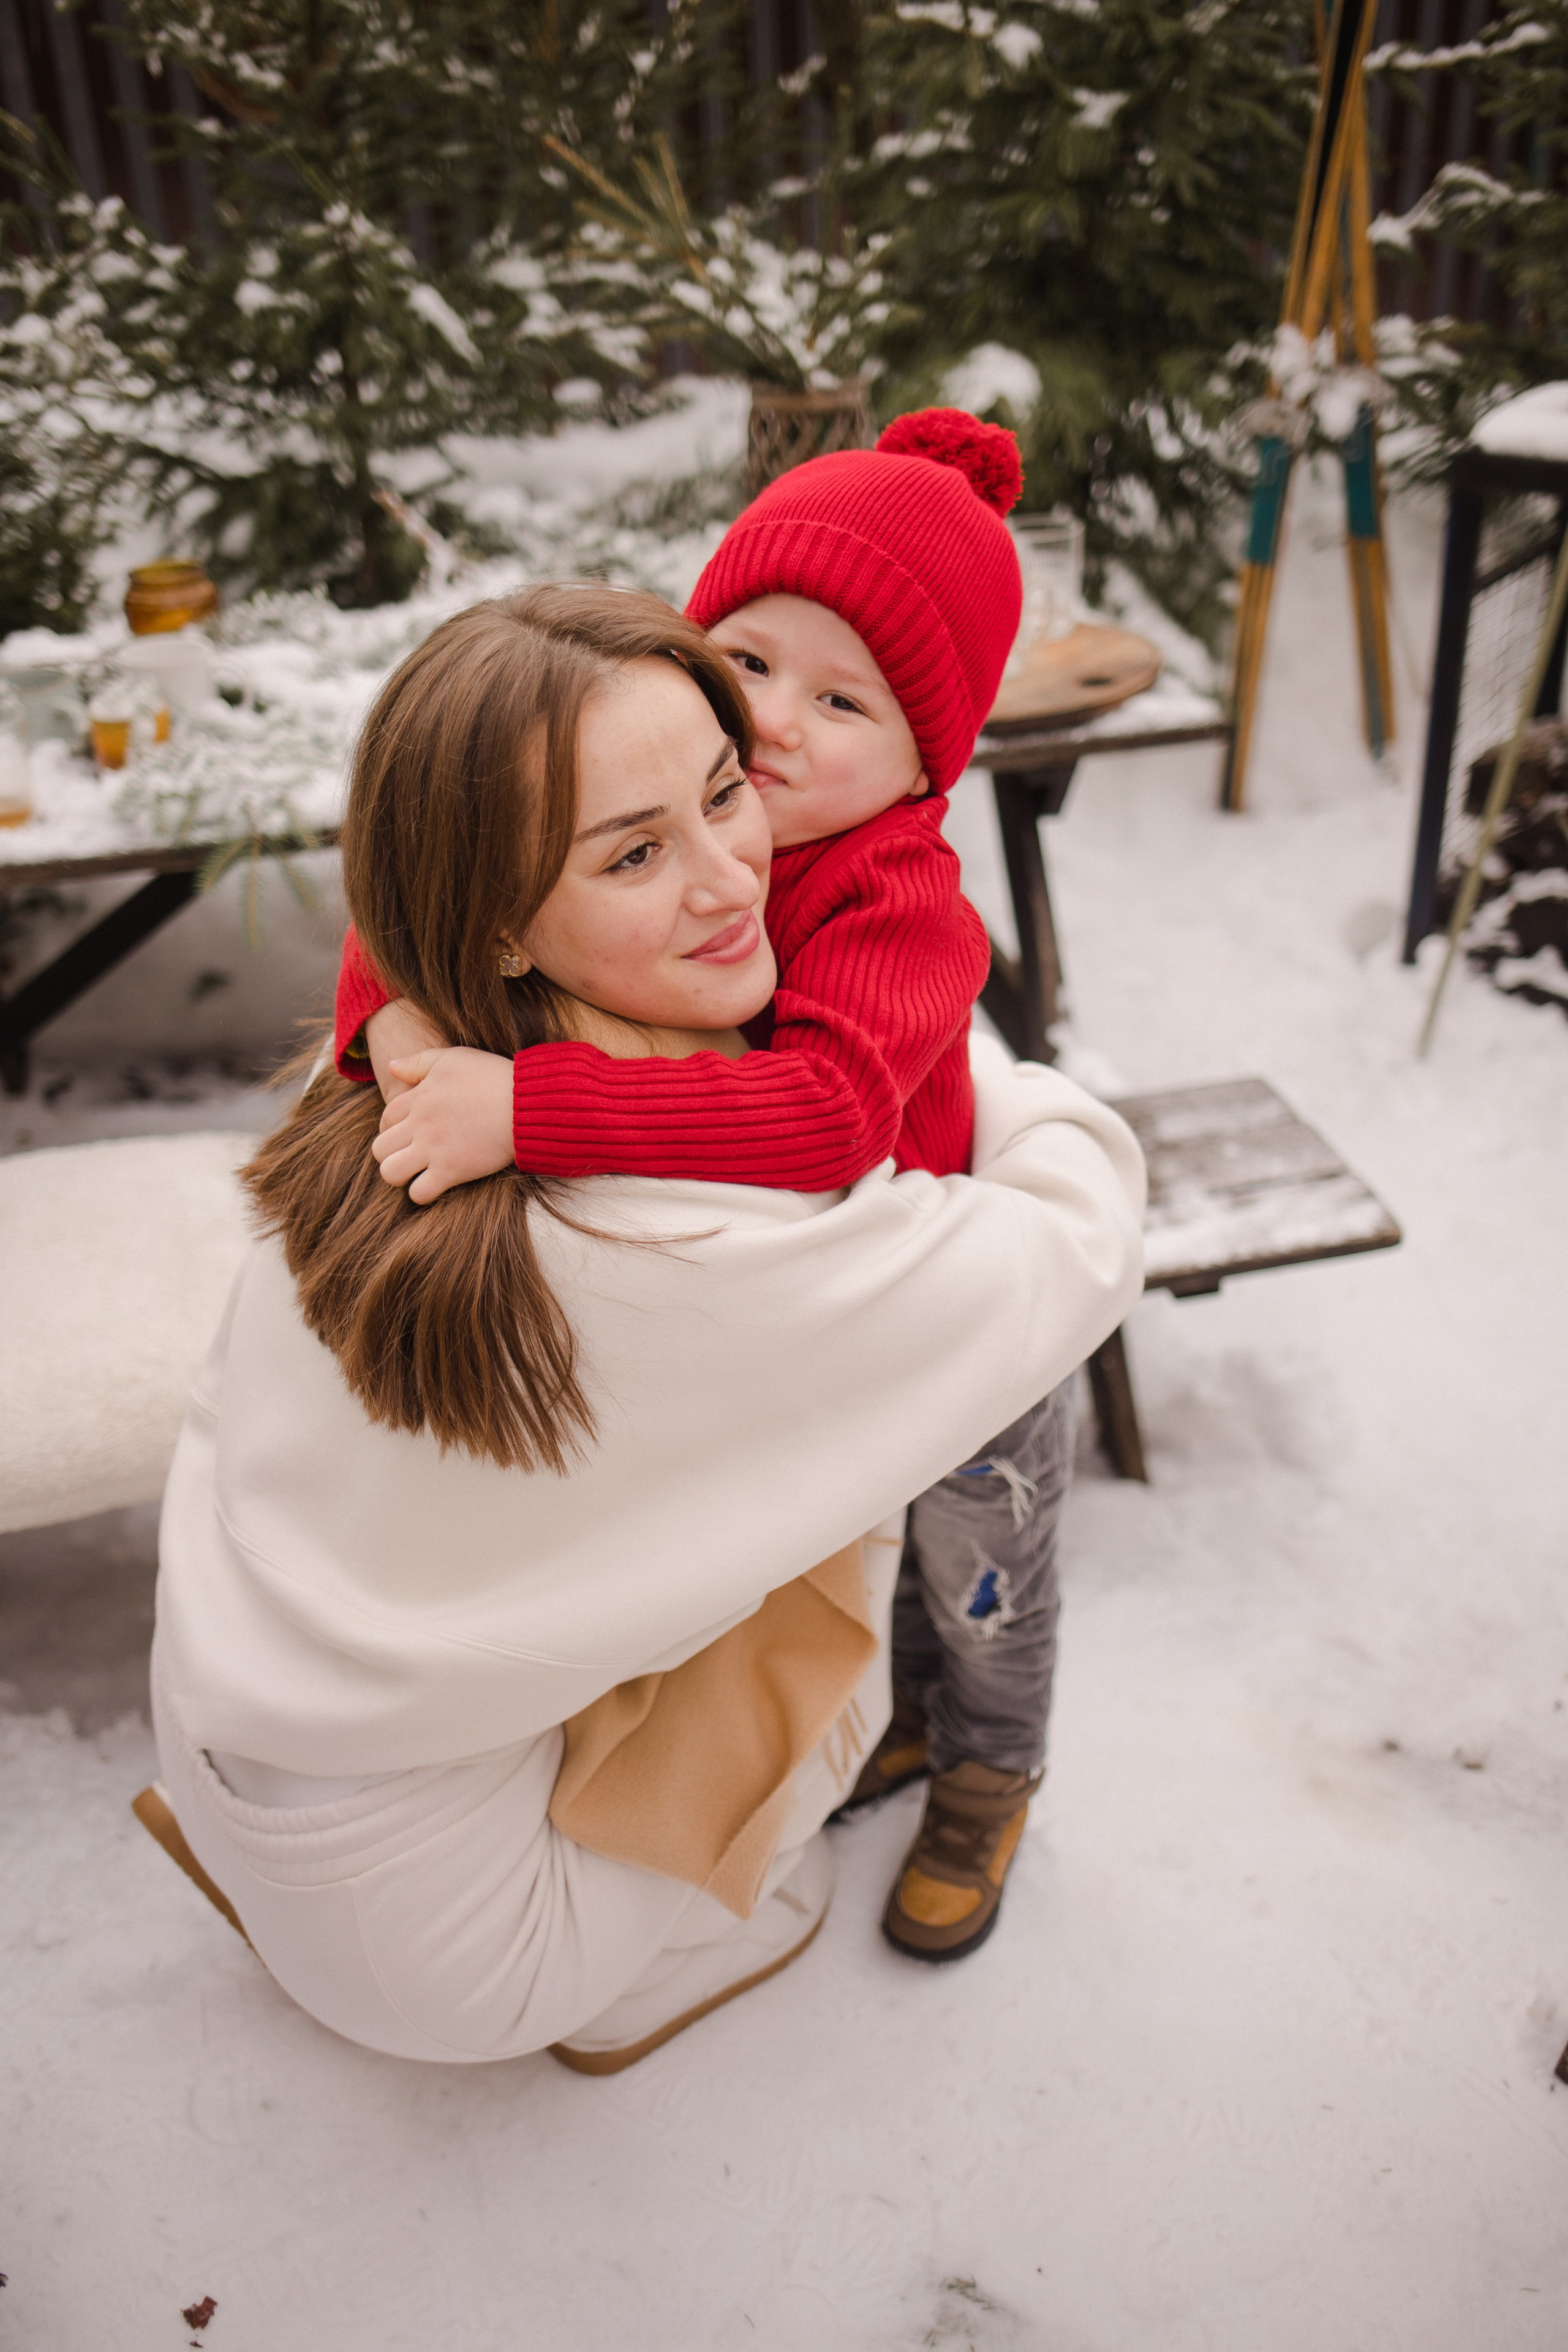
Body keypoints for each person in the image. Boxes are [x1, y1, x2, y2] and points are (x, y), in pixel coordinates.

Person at [146, 582, 1144, 2071]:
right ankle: (690, 1943)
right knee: (875, 1486)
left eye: (726, 791)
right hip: (458, 1959)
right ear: (494, 918)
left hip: (228, 1748)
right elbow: (1079, 1222)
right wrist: (908, 1075)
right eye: (632, 850)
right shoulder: (712, 1244)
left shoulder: (393, 1075)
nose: (737, 881)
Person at [335, 411, 1088, 1962]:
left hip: (948, 1324)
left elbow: (819, 1116)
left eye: (843, 701)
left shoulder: (897, 903)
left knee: (983, 1576)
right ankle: (893, 1718)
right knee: (862, 1545)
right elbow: (433, 881)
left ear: (925, 753)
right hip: (806, 1327)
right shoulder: (655, 779)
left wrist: (525, 1103)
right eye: (746, 663)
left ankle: (986, 1772)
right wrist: (395, 1023)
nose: (775, 728)